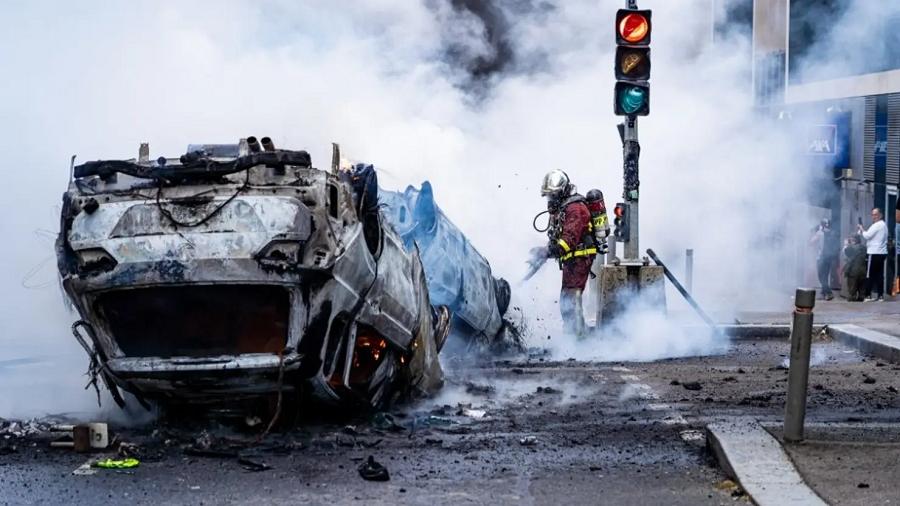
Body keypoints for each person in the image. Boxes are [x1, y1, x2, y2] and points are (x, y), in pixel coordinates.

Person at [540, 169, 597, 337]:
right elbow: (558, 240)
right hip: (572, 259)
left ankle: (577, 338)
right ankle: (575, 334)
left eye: (553, 195)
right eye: (549, 196)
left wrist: (547, 251)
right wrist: (543, 252)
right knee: (568, 297)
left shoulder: (575, 209)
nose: (551, 200)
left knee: (570, 298)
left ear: (563, 191)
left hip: (580, 258)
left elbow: (568, 241)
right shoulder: (564, 208)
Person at [858, 207, 888, 301]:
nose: (873, 216)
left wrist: (861, 228)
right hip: (881, 253)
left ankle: (867, 295)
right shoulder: (883, 225)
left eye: (875, 214)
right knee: (879, 275)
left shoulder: (877, 225)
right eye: (872, 214)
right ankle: (880, 296)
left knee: (869, 275)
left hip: (873, 252)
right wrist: (862, 231)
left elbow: (867, 236)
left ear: (880, 215)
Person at [810, 218, 838, 300]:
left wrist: (815, 233)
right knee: (825, 275)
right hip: (829, 257)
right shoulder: (832, 233)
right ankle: (824, 293)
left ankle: (828, 293)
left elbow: (811, 242)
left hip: (821, 257)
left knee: (821, 276)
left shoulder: (820, 233)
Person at [843, 235, 867, 302]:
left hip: (853, 271)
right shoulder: (864, 247)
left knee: (852, 291)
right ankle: (861, 301)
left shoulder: (851, 248)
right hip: (863, 270)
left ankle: (852, 304)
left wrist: (846, 244)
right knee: (862, 290)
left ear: (854, 240)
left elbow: (846, 253)